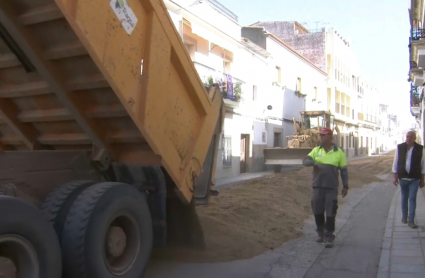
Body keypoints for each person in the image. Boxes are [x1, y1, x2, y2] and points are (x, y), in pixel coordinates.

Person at [302, 127, 349, 248]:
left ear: (330, 136)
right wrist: (313, 163)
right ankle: (320, 233)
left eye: (323, 135)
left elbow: (344, 171)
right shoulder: (316, 150)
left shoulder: (339, 152)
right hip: (318, 186)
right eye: (320, 135)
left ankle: (329, 236)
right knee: (317, 210)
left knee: (331, 211)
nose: (321, 137)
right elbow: (305, 160)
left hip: (331, 187)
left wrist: (345, 185)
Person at [392, 130, 425, 228]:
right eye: (407, 137)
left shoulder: (420, 149)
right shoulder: (400, 147)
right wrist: (394, 176)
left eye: (410, 137)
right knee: (404, 198)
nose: (408, 139)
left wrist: (423, 179)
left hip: (415, 178)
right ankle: (404, 216)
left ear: (414, 138)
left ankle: (411, 220)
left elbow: (423, 165)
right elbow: (396, 162)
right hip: (403, 178)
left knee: (412, 198)